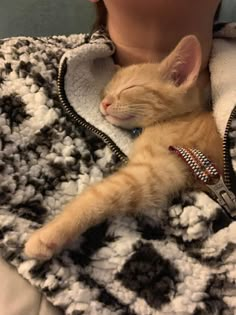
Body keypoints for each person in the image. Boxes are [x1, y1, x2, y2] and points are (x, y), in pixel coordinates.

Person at [1, 1, 236, 315]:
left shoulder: (181, 125)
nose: (108, 103)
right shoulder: (15, 68)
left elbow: (143, 181)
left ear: (180, 77)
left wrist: (67, 224)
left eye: (129, 89)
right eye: (106, 94)